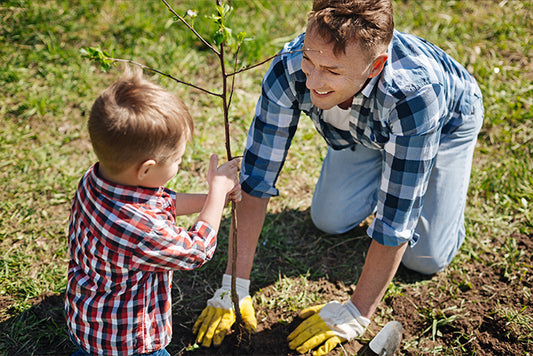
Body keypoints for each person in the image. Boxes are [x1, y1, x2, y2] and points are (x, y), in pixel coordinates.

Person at [193, 0, 484, 354]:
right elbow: (256, 177)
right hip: (362, 128)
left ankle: (433, 188)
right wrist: (233, 284)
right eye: (310, 61)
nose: (312, 80)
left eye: (330, 70)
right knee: (329, 219)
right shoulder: (290, 67)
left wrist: (357, 311)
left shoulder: (415, 96)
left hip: (445, 125)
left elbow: (396, 218)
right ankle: (385, 156)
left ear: (375, 66)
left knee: (425, 258)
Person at [65, 67, 241, 356]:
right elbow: (196, 250)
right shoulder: (140, 229)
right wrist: (218, 192)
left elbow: (161, 203)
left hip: (88, 322)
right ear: (146, 168)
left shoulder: (95, 180)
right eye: (178, 159)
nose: (180, 164)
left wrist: (212, 198)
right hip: (129, 342)